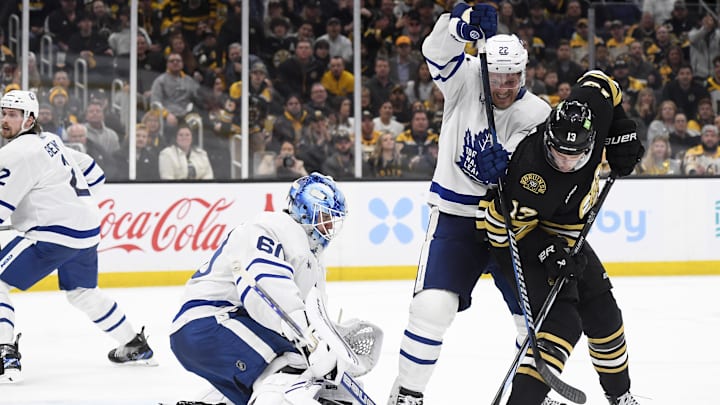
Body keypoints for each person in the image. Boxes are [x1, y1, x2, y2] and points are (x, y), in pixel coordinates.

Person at [387, 4, 553, 404]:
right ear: (485, 71)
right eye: (497, 76)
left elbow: (538, 175)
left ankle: (535, 394)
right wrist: (458, 26)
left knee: (533, 319)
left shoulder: (537, 113)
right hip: (456, 220)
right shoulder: (463, 81)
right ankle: (408, 394)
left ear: (523, 73)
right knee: (430, 308)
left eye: (512, 77)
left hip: (509, 223)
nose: (504, 86)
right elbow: (435, 51)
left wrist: (511, 166)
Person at [477, 71, 645, 405]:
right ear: (548, 140)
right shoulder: (530, 174)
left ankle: (620, 396)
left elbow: (601, 81)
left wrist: (621, 130)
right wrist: (547, 252)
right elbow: (499, 231)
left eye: (576, 155)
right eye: (559, 154)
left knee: (604, 312)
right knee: (561, 323)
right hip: (520, 241)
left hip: (566, 231)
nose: (567, 162)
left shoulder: (590, 109)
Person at [169, 173, 378, 404]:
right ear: (304, 211)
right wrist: (311, 341)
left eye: (332, 221)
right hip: (208, 323)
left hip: (224, 325)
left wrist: (331, 336)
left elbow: (306, 311)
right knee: (291, 362)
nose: (328, 227)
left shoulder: (311, 258)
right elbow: (267, 289)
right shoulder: (270, 228)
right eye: (324, 218)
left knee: (292, 368)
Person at [0, 90, 156, 383]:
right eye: (3, 113)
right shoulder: (51, 141)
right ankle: (134, 344)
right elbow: (94, 176)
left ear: (29, 119)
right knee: (82, 292)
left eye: (12, 115)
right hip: (86, 229)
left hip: (53, 233)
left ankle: (4, 352)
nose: (5, 120)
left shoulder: (14, 153)